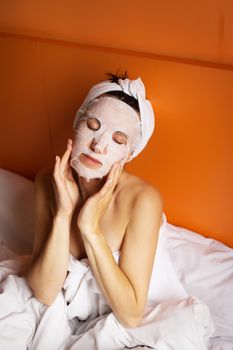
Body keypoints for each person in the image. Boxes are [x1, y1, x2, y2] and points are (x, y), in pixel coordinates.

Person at [25, 70, 164, 328]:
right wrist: (63, 215)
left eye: (118, 139)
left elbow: (132, 316)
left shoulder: (142, 199)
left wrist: (89, 229)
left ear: (129, 155)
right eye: (92, 126)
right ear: (77, 123)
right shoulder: (47, 180)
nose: (99, 145)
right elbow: (44, 293)